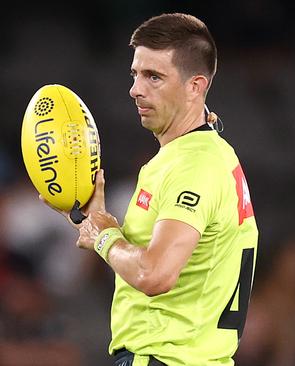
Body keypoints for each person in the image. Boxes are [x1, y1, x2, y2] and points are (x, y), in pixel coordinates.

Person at [43, 13, 259, 366]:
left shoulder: (194, 166)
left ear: (195, 86)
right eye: (135, 74)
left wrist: (105, 236)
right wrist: (95, 220)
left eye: (153, 76)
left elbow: (155, 273)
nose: (136, 89)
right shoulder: (195, 156)